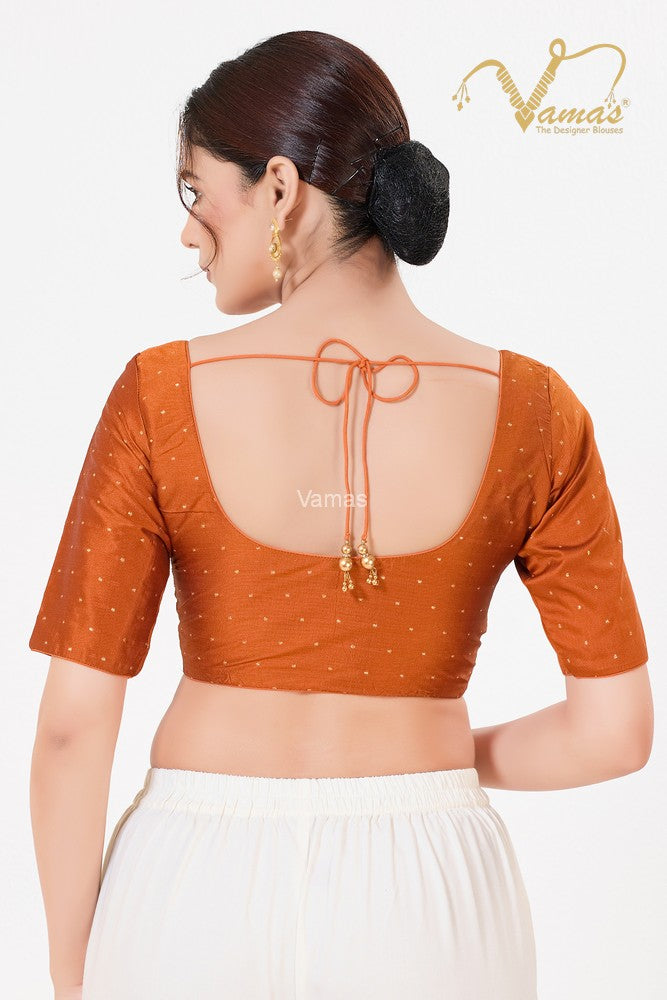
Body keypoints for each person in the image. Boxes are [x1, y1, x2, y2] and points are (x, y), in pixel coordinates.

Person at [28, 29, 652, 1000]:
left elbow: (74, 726)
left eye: (196, 192)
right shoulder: (536, 410)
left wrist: (71, 970)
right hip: (433, 896)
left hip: (190, 886)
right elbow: (613, 733)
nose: (188, 233)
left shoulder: (158, 394)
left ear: (278, 188)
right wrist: (427, 760)